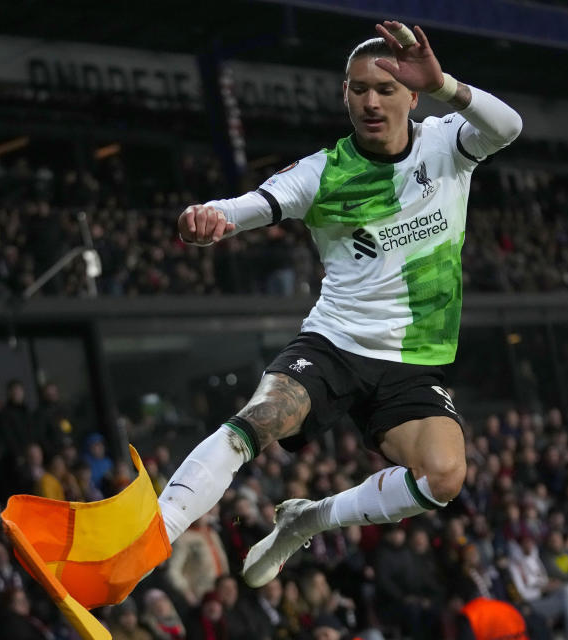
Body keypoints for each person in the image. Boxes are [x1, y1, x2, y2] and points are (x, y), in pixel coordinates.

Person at [153, 19, 522, 592]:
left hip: (415, 358)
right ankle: (156, 531)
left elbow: (510, 126)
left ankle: (308, 519)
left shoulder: (447, 142)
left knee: (444, 478)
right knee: (262, 418)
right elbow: (244, 207)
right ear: (345, 95)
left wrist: (447, 83)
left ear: (413, 95)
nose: (370, 101)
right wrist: (205, 219)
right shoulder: (323, 172)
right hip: (336, 344)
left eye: (385, 88)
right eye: (357, 89)